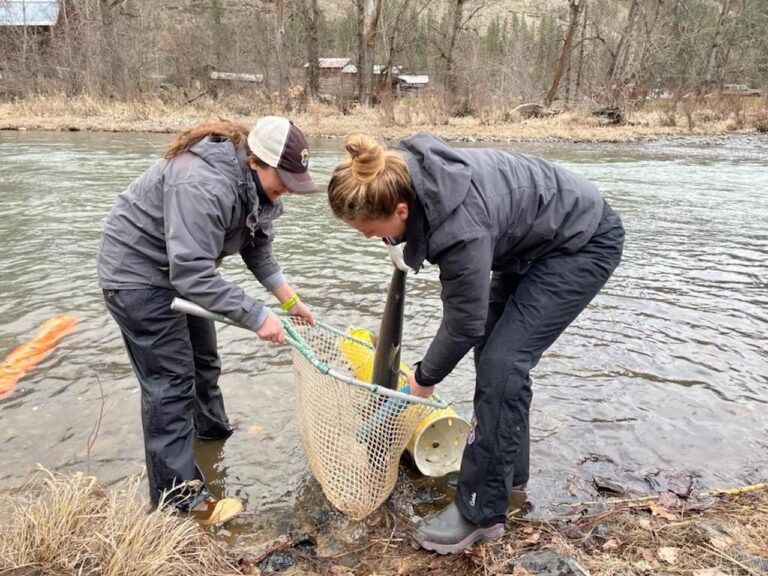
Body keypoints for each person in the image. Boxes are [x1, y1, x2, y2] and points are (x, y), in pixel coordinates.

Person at [327, 133, 624, 554]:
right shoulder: (398, 173)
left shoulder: (460, 228)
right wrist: (400, 241)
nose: (366, 237)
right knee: (495, 357)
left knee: (504, 363)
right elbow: (431, 239)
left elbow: (464, 323)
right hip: (529, 240)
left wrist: (423, 381)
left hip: (581, 243)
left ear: (400, 209)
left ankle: (480, 512)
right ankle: (508, 481)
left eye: (372, 230)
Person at [97, 116, 317, 523]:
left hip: (179, 273)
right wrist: (256, 315)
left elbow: (258, 250)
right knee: (170, 384)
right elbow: (194, 273)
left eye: (293, 178)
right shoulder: (202, 182)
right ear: (255, 161)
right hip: (137, 277)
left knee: (204, 362)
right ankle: (178, 503)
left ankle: (212, 437)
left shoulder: (260, 189)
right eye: (282, 177)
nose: (286, 186)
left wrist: (289, 302)